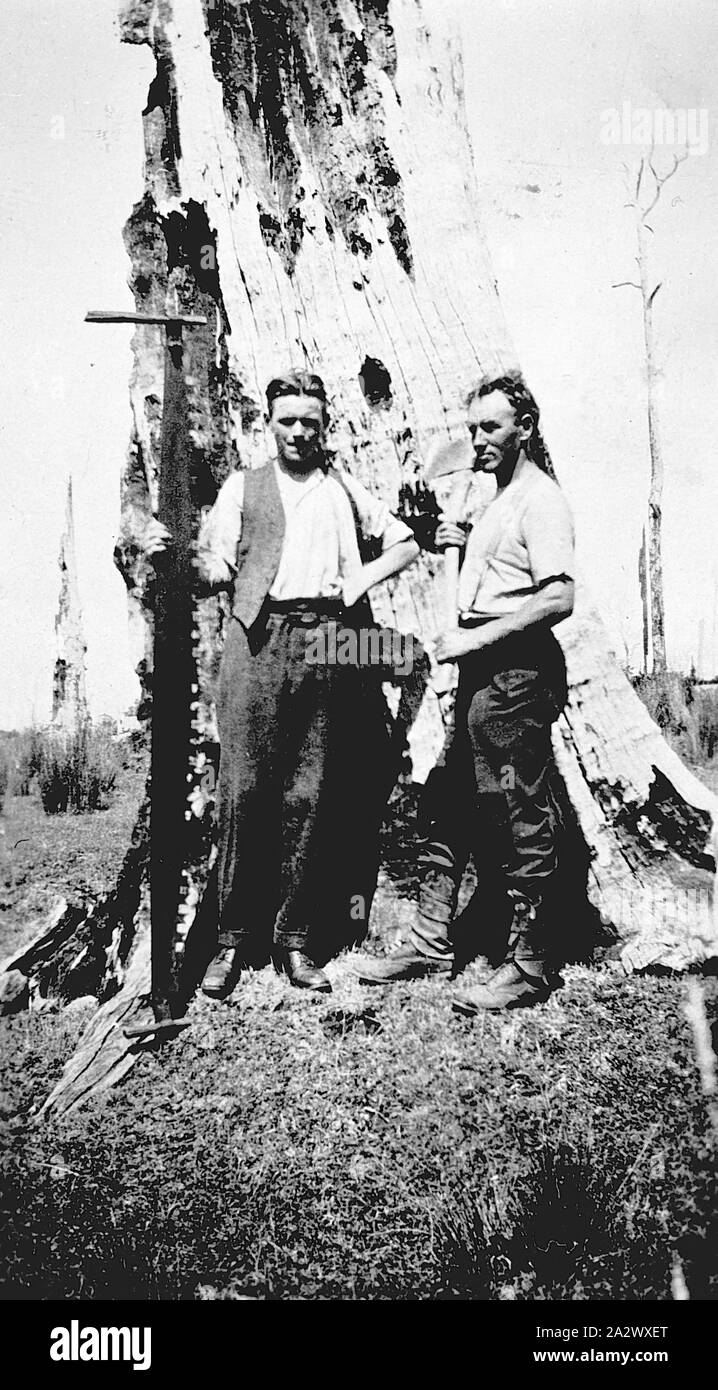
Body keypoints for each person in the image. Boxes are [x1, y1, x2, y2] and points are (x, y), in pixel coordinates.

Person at [146, 368, 419, 998]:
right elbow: (214, 563)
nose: (299, 432)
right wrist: (183, 558)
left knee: (311, 792)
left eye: (310, 423)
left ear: (326, 428)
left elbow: (404, 542)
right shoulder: (244, 487)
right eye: (287, 421)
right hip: (256, 639)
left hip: (327, 642)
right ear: (268, 425)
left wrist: (357, 582)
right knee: (243, 792)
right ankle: (231, 941)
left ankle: (296, 940)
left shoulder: (342, 490)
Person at [356, 372, 575, 1011]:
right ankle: (429, 941)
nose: (478, 440)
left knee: (517, 809)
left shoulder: (542, 500)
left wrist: (475, 644)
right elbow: (471, 601)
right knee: (447, 802)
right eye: (472, 428)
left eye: (491, 427)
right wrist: (455, 544)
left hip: (518, 673)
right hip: (482, 672)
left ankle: (531, 964)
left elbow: (558, 596)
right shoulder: (494, 501)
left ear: (525, 429)